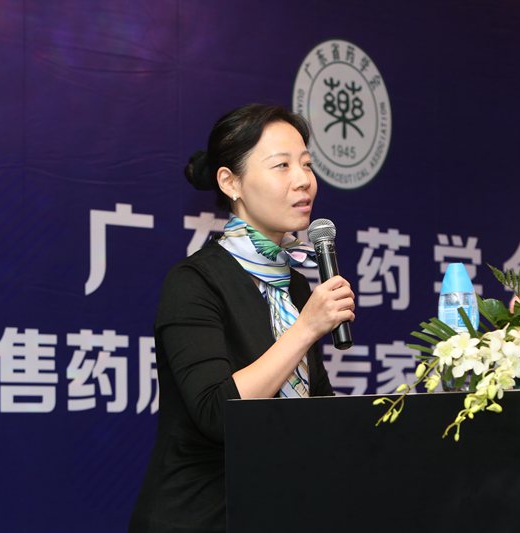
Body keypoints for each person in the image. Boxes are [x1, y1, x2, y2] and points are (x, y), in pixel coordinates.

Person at [129, 103, 355, 533]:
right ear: (230, 182)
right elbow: (217, 413)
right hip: (199, 518)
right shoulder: (193, 282)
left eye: (307, 164)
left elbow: (312, 406)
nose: (303, 180)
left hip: (272, 509)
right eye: (282, 166)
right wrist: (306, 328)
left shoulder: (293, 284)